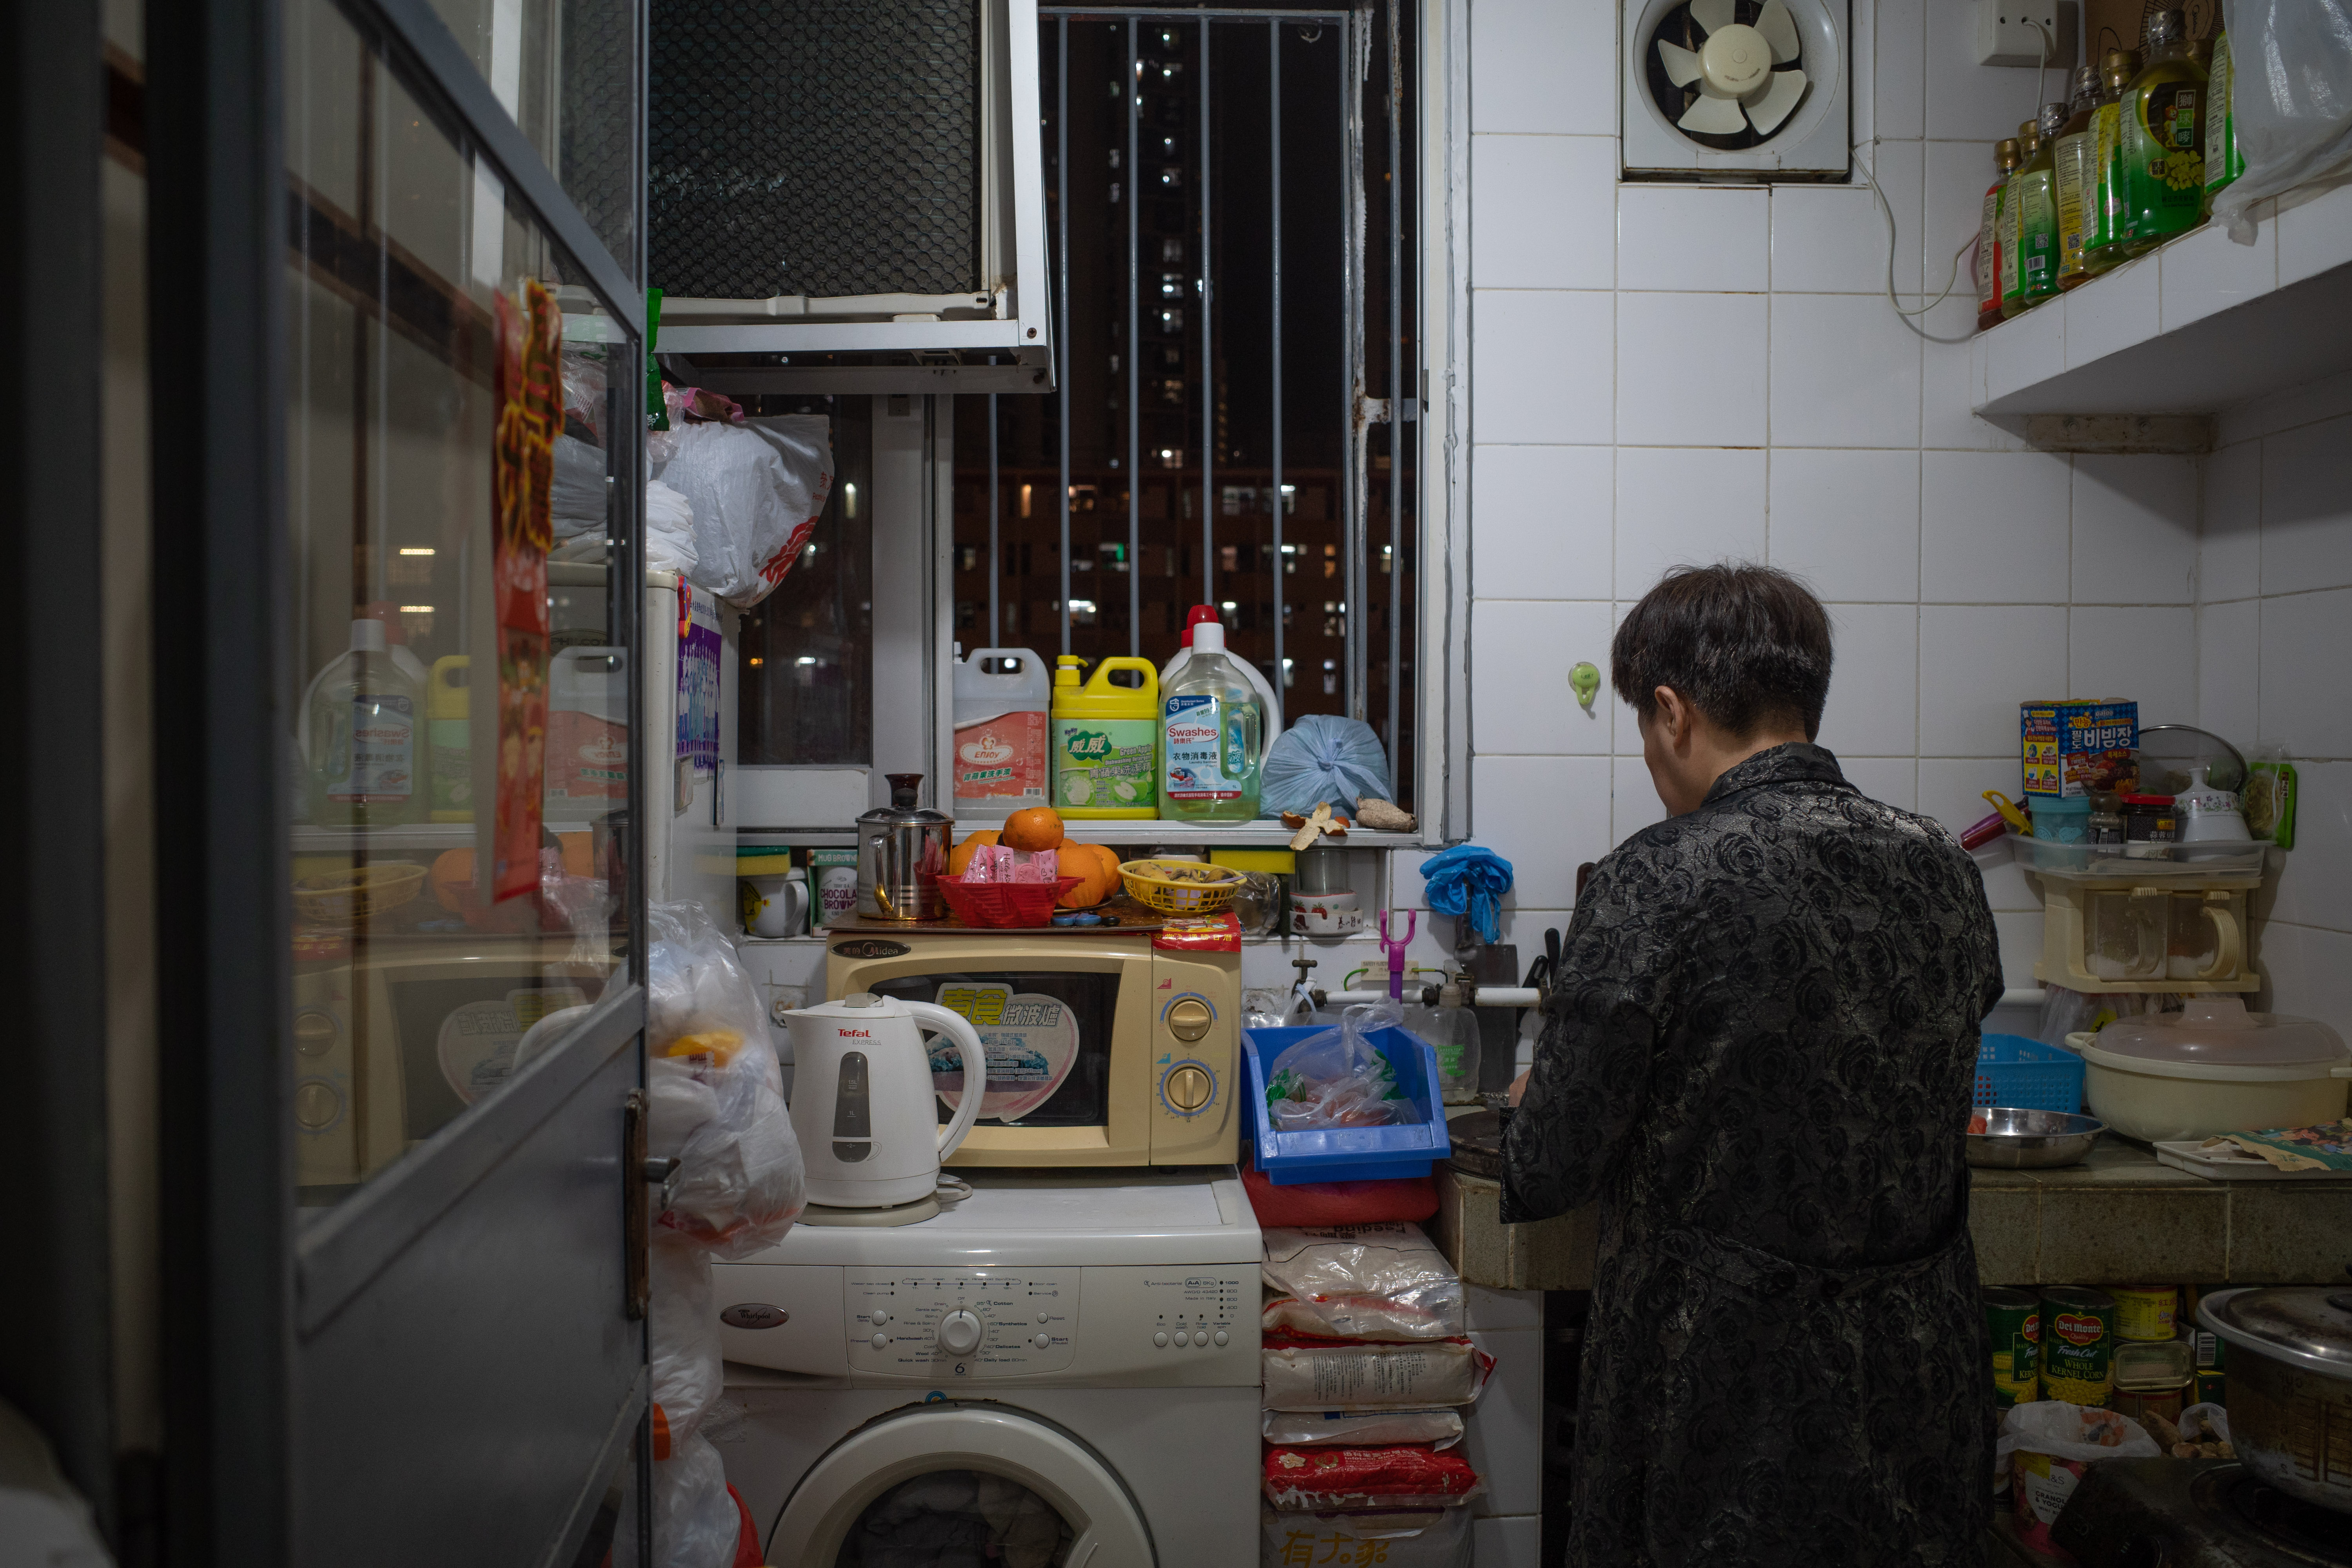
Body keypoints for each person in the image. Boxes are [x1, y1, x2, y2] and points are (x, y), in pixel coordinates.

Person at [1503, 563, 2003, 1568]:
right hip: (1921, 1372)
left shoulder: (1659, 873)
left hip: (1727, 1388)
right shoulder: (1944, 861)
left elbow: (1552, 1163)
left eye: (1646, 729)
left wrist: (1537, 1097)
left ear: (1672, 711)